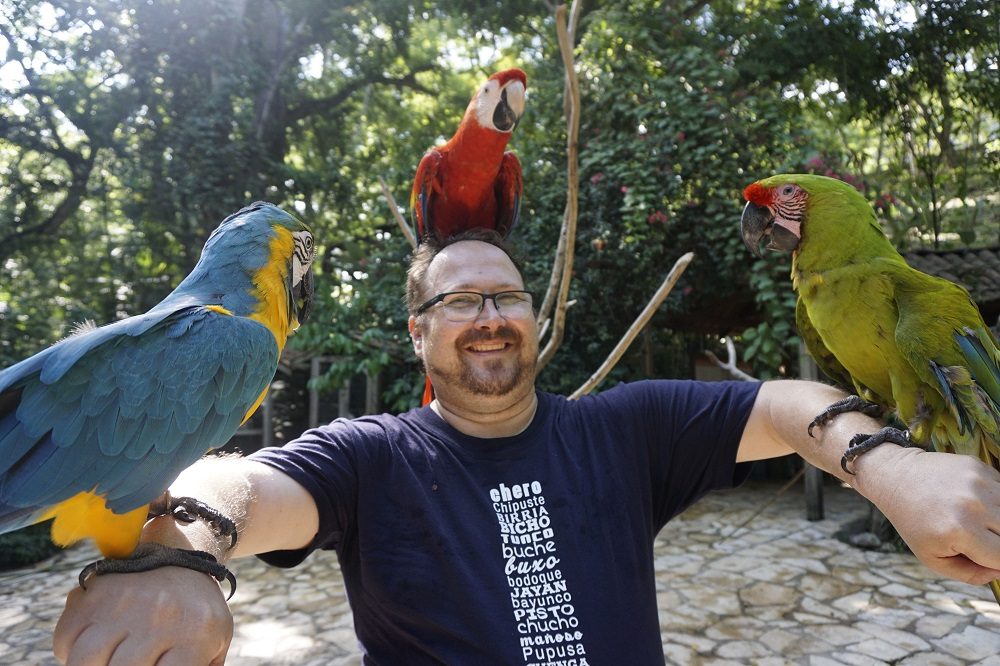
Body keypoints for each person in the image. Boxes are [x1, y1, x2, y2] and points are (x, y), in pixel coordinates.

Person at [54, 229, 1000, 665]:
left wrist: (894, 464)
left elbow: (788, 403)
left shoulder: (621, 429)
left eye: (506, 296)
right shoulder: (373, 457)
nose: (489, 317)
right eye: (457, 301)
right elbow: (245, 483)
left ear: (536, 322)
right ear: (416, 336)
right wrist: (181, 552)